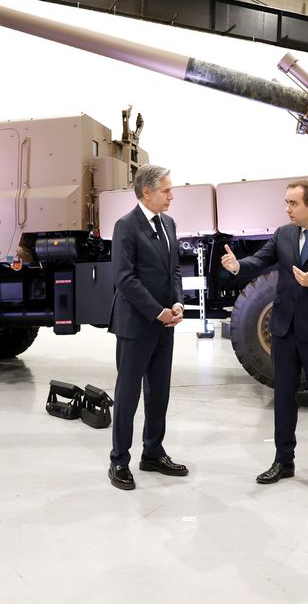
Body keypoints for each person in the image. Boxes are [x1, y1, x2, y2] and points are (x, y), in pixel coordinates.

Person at [220, 179, 308, 494]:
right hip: (283, 331)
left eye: (293, 203)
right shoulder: (284, 234)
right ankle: (283, 461)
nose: (287, 209)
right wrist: (236, 266)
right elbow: (259, 261)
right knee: (283, 398)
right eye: (286, 203)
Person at [107, 164, 188, 491]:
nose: (172, 195)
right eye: (166, 190)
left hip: (165, 324)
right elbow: (124, 279)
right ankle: (119, 460)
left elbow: (174, 271)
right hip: (136, 324)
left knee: (159, 392)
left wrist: (178, 304)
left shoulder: (168, 223)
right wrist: (158, 312)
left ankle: (152, 452)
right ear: (146, 192)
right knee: (128, 395)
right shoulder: (126, 226)